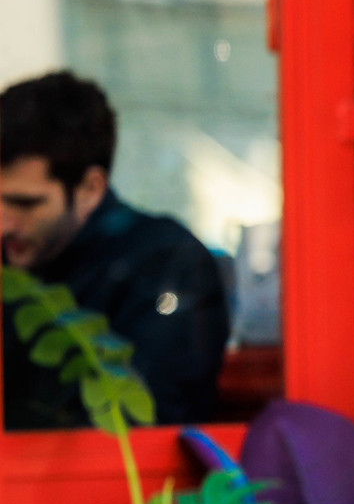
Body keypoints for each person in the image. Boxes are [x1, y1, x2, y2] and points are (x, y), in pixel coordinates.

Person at [0, 70, 229, 428]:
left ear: (90, 188)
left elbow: (143, 425)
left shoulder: (166, 264)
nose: (3, 223)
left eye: (25, 204)